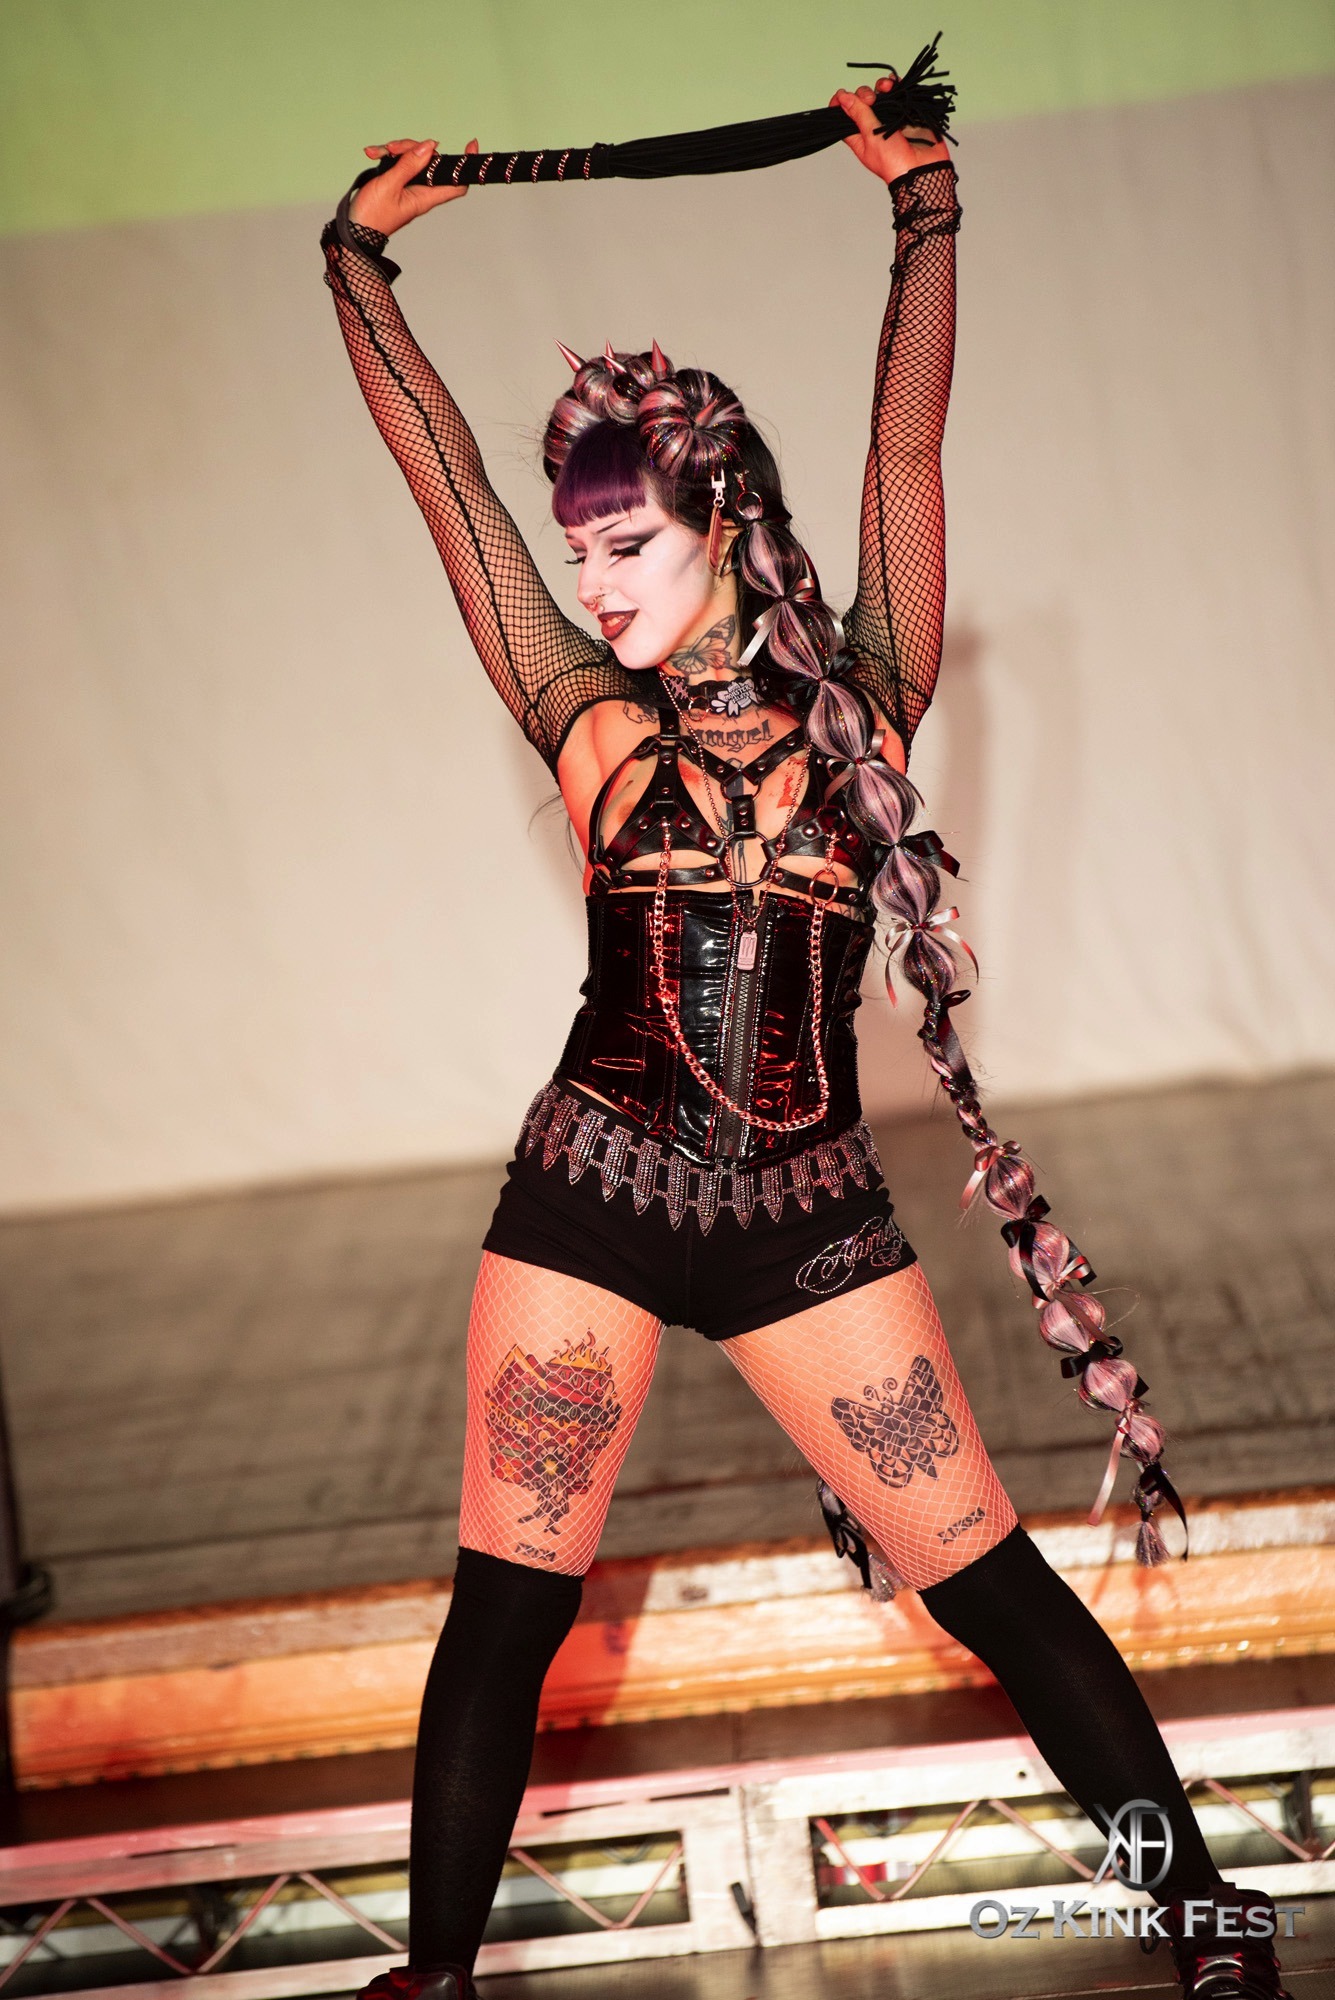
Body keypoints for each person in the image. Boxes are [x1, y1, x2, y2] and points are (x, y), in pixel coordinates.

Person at [320, 84, 1291, 2000]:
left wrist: (924, 209)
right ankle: (433, 1981)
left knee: (989, 1580)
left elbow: (904, 444)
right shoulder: (588, 725)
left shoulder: (871, 702)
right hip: (590, 1206)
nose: (595, 588)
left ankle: (1206, 1922)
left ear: (721, 526)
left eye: (628, 545)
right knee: (508, 1606)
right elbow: (448, 490)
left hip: (803, 1227)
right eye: (582, 556)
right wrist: (358, 265)